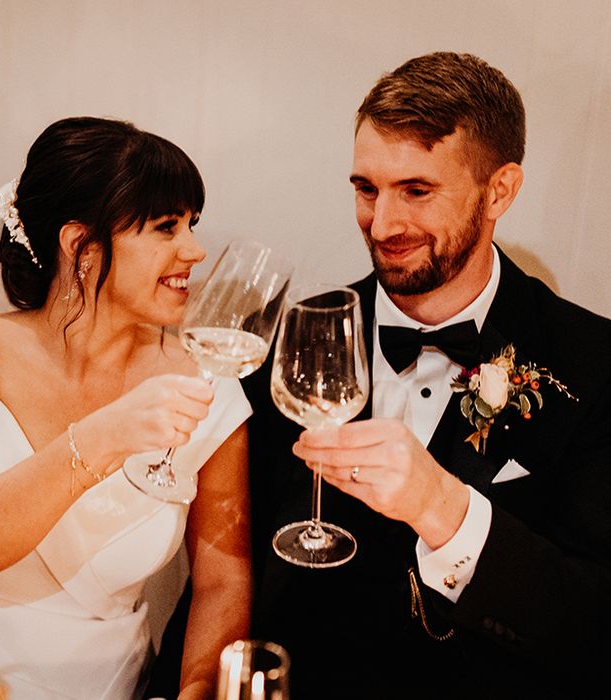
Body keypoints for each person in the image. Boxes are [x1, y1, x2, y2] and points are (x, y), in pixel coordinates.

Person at [243, 52, 611, 697]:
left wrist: (443, 509)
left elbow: (594, 626)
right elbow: (230, 567)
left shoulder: (594, 365)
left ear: (500, 190)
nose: (382, 225)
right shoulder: (284, 338)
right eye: (366, 189)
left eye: (416, 190)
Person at [0, 117, 252, 700]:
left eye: (192, 223)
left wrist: (196, 688)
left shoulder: (208, 380)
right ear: (79, 244)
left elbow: (223, 575)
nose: (195, 249)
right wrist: (105, 435)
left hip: (106, 683)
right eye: (166, 227)